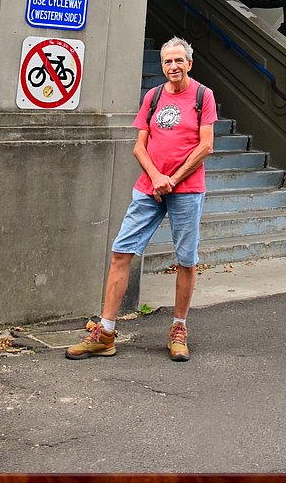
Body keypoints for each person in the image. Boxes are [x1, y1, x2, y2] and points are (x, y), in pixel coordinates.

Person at [66, 37, 216, 362]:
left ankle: (178, 328)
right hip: (149, 189)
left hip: (186, 191)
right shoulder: (153, 96)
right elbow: (138, 145)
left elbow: (205, 146)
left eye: (178, 61)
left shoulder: (204, 96)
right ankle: (105, 333)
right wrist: (157, 177)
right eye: (167, 62)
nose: (172, 67)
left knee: (186, 259)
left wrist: (172, 179)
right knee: (121, 251)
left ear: (189, 63)